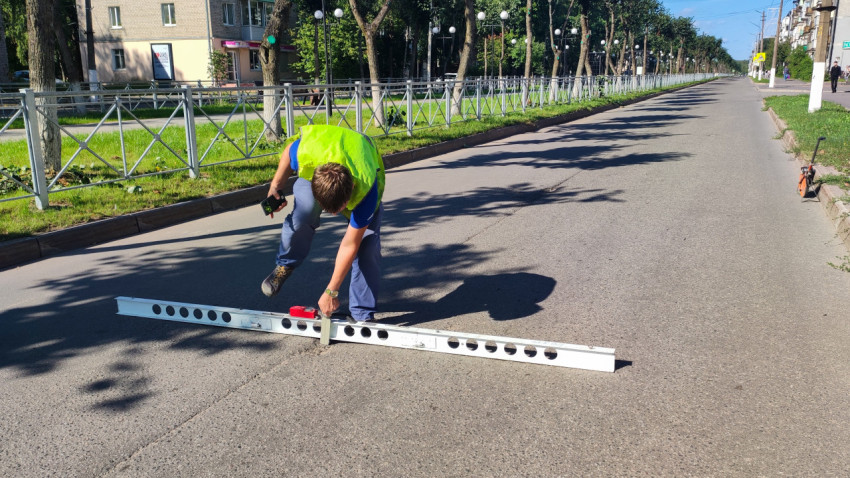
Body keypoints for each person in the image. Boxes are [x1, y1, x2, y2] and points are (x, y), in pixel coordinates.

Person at [261, 125, 385, 321]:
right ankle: (285, 264)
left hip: (363, 166)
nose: (335, 215)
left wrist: (332, 291)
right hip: (324, 154)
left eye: (339, 208)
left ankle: (362, 313)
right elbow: (289, 151)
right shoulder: (308, 150)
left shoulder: (366, 190)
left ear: (352, 187)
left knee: (366, 246)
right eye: (329, 210)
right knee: (304, 213)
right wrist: (275, 187)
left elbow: (349, 244)